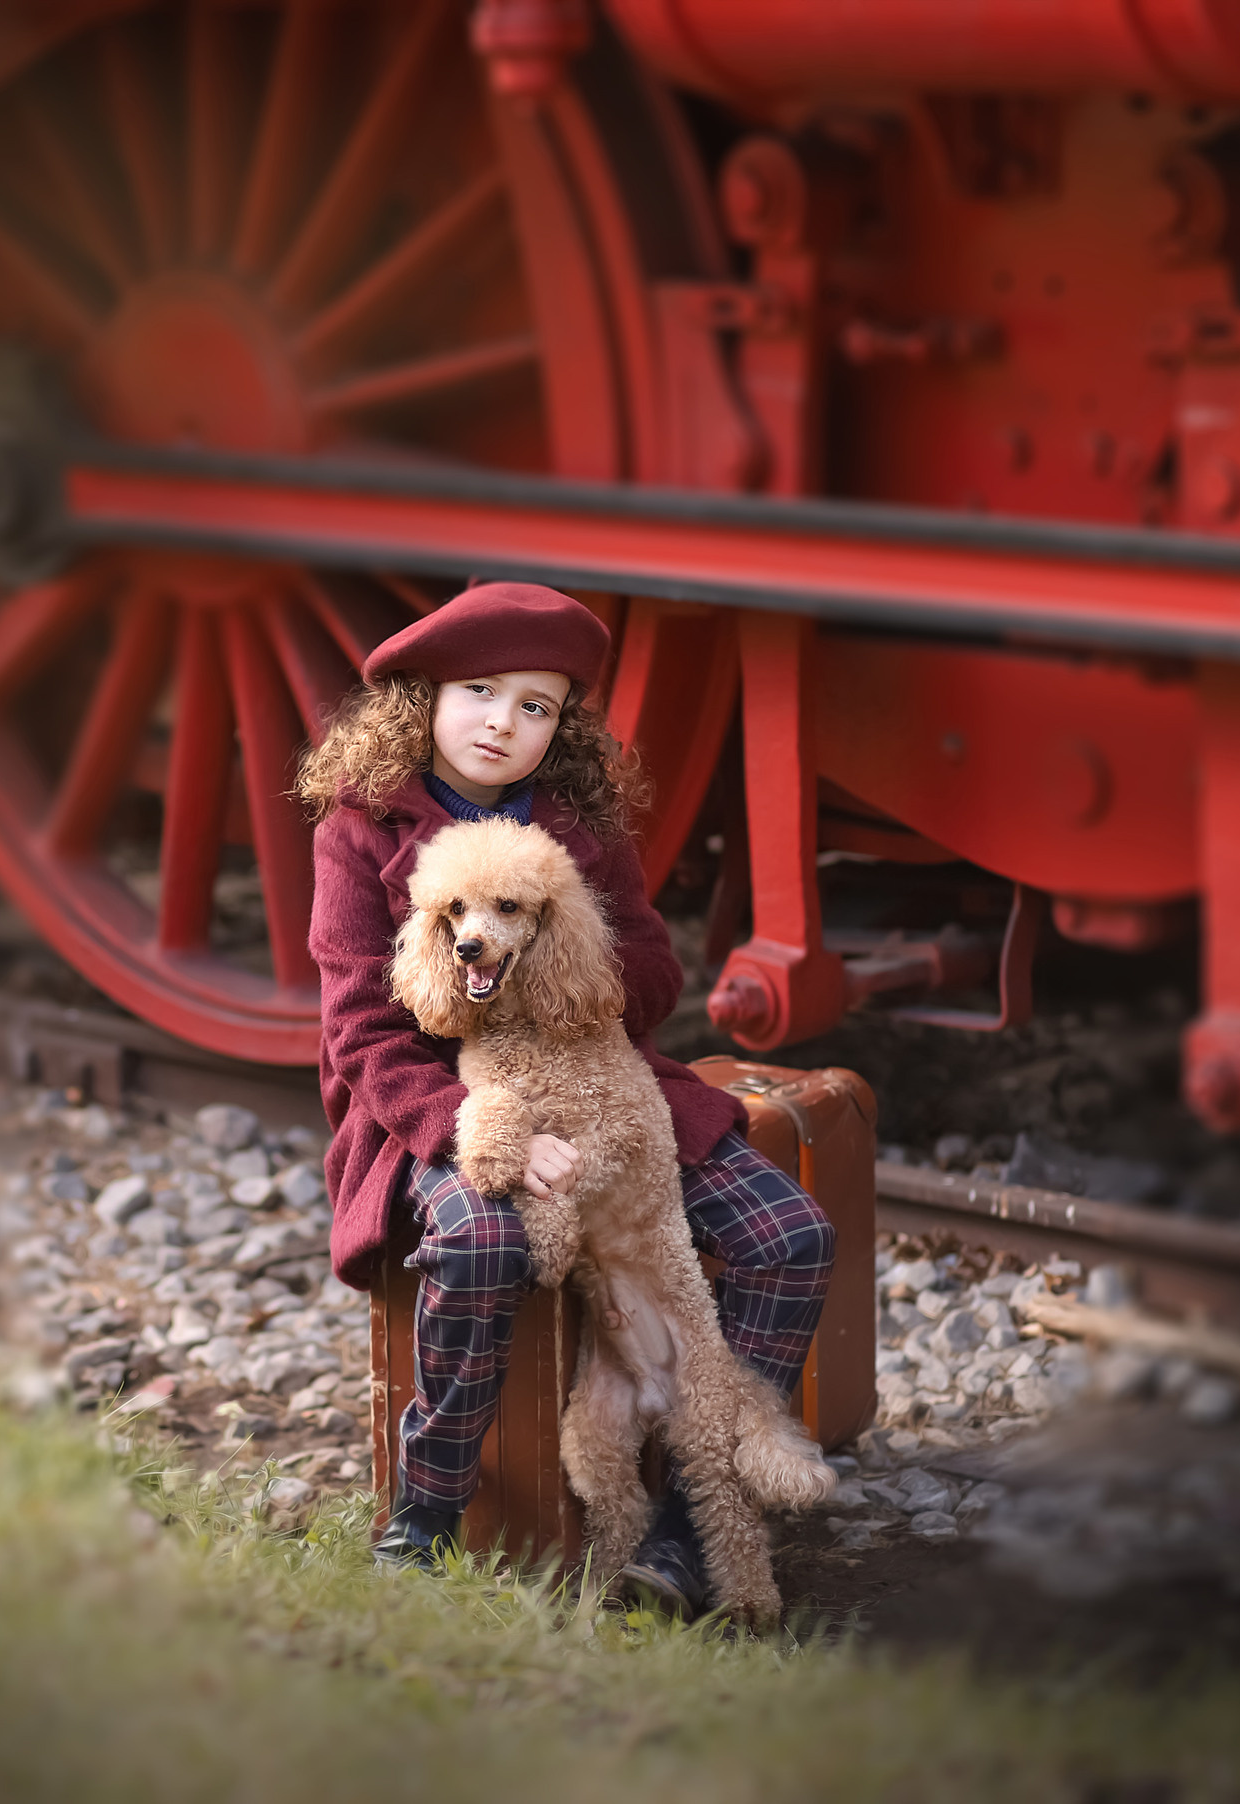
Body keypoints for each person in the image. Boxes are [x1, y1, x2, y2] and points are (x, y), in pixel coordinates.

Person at [296, 581, 836, 1615]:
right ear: (425, 702)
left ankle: (685, 1529)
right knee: (482, 1242)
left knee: (790, 1234)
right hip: (430, 1105)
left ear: (560, 730)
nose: (504, 720)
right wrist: (467, 1130)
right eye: (482, 691)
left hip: (597, 1080)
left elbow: (654, 977)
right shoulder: (358, 830)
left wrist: (565, 962)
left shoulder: (578, 826)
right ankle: (426, 1511)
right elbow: (360, 1028)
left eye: (536, 705)